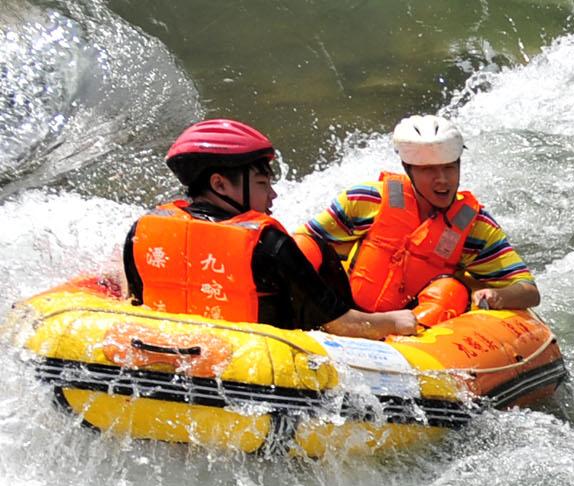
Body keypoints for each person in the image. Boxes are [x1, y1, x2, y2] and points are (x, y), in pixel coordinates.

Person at [122, 120, 404, 337]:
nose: (273, 195)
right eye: (262, 184)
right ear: (219, 184)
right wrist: (397, 321)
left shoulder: (142, 231)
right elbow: (341, 325)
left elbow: (133, 302)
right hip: (259, 369)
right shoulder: (268, 244)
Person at [302, 115, 538, 326]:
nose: (442, 180)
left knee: (450, 290)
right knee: (301, 246)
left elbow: (528, 290)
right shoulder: (366, 200)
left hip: (414, 332)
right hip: (347, 312)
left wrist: (498, 296)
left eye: (449, 168)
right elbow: (303, 246)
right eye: (429, 170)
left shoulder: (476, 226)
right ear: (409, 169)